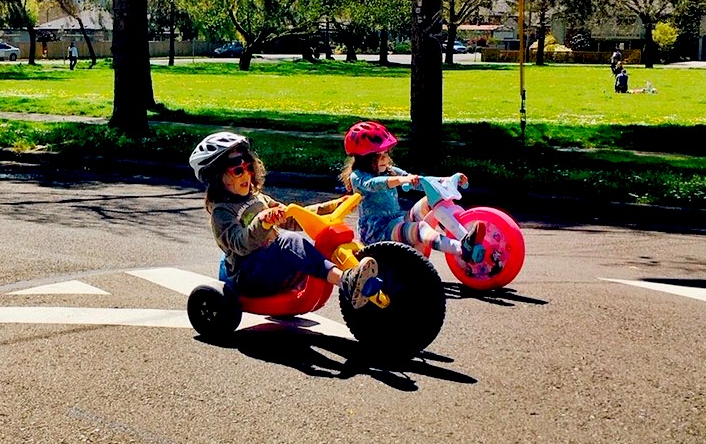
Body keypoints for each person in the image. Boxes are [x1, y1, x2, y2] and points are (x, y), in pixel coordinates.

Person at [190, 131, 380, 308]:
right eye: (238, 171)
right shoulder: (222, 213)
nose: (247, 174)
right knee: (288, 241)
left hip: (272, 269)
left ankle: (361, 274)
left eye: (249, 167)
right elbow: (240, 244)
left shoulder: (258, 198)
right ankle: (345, 281)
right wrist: (263, 222)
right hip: (249, 277)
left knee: (304, 240)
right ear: (217, 178)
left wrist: (333, 205)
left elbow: (294, 215)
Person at [340, 120, 485, 263]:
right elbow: (373, 184)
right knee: (420, 228)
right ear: (364, 158)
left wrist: (446, 180)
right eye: (379, 156)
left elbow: (420, 181)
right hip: (377, 233)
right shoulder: (358, 176)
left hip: (396, 221)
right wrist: (400, 180)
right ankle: (460, 249)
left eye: (386, 153)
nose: (386, 158)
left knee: (431, 201)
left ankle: (464, 236)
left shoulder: (390, 171)